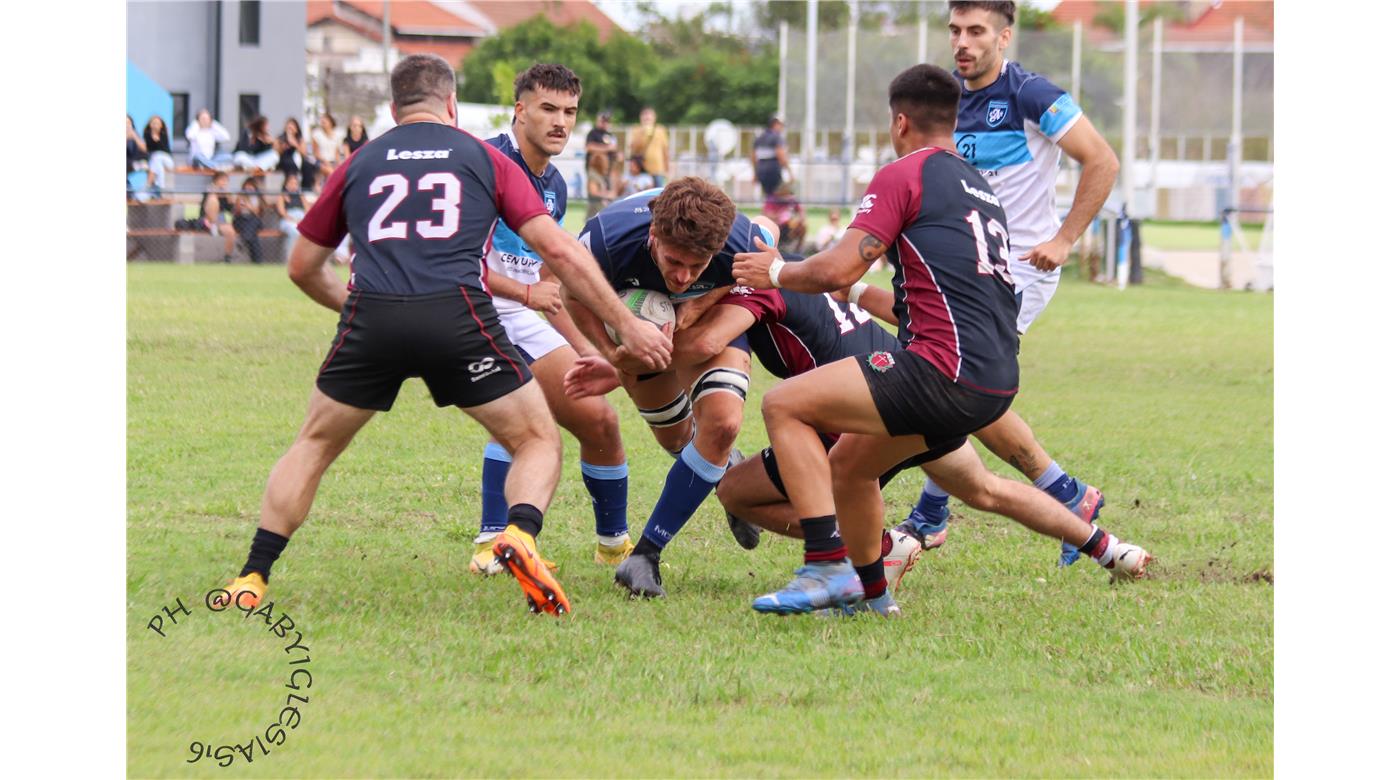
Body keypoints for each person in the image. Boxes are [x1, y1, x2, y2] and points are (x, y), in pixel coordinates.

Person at [211, 53, 671, 618]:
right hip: (458, 316)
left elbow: (303, 266)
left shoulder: (358, 161)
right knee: (536, 438)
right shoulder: (483, 157)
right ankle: (518, 535)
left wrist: (354, 309)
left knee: (313, 445)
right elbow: (558, 250)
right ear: (451, 103)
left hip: (373, 317)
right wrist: (627, 323)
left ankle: (252, 576)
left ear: (393, 108)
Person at [731, 64, 1149, 616]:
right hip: (994, 379)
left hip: (940, 371)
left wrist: (776, 271)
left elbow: (835, 268)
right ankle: (873, 598)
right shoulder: (981, 192)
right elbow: (929, 302)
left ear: (900, 122)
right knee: (853, 466)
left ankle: (826, 565)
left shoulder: (905, 173)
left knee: (783, 404)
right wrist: (858, 293)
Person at [892, 0, 1124, 567]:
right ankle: (1067, 495)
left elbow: (1102, 160)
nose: (962, 42)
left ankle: (932, 513)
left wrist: (1064, 239)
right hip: (968, 269)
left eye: (976, 31)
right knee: (956, 382)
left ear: (1004, 37)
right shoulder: (947, 98)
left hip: (1020, 269)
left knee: (957, 381)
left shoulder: (1031, 94)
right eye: (955, 30)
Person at [563, 270, 929, 592]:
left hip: (852, 414)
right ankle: (897, 539)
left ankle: (877, 549)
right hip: (915, 386)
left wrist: (624, 363)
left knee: (736, 491)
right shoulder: (790, 265)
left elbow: (706, 343)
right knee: (966, 479)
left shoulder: (751, 286)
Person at [559, 179, 779, 599]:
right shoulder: (605, 241)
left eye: (697, 267)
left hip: (708, 319)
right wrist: (611, 353)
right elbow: (570, 293)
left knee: (723, 424)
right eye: (674, 261)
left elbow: (771, 253)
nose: (682, 276)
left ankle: (645, 555)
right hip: (635, 336)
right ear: (653, 235)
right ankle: (727, 473)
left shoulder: (741, 239)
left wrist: (695, 305)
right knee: (678, 439)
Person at [464, 63, 639, 577]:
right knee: (522, 417)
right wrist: (526, 292)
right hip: (473, 309)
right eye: (548, 109)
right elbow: (457, 263)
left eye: (569, 112)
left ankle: (614, 546)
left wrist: (590, 351)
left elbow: (547, 280)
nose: (560, 122)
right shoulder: (486, 163)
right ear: (520, 110)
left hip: (522, 312)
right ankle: (492, 541)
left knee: (600, 420)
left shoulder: (555, 184)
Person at [199, 170, 238, 263]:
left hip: (221, 219)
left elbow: (231, 211)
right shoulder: (209, 191)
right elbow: (204, 209)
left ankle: (227, 257)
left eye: (226, 181)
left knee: (231, 232)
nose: (224, 183)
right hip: (207, 219)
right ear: (215, 181)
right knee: (213, 199)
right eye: (222, 180)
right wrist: (215, 193)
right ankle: (213, 225)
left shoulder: (226, 194)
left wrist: (229, 198)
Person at [626, 106, 670, 188]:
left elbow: (665, 150)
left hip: (657, 169)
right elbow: (633, 148)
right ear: (640, 118)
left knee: (658, 192)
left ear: (654, 117)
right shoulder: (636, 130)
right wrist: (642, 132)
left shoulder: (660, 130)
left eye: (649, 115)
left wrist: (667, 169)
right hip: (641, 169)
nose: (647, 118)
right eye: (644, 115)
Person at [751, 115, 791, 199]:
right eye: (781, 125)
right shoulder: (777, 137)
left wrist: (755, 173)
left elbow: (753, 157)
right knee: (779, 194)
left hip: (761, 169)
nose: (782, 128)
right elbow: (780, 155)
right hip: (773, 169)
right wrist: (790, 172)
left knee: (768, 195)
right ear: (775, 124)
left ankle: (768, 207)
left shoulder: (759, 138)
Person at [762, 182, 807, 254]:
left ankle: (797, 250)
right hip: (776, 226)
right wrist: (780, 216)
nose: (787, 196)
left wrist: (800, 218)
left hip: (789, 226)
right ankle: (775, 248)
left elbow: (801, 211)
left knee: (802, 227)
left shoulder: (791, 199)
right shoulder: (772, 199)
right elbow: (766, 214)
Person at [232, 176, 269, 264]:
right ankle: (258, 260)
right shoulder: (240, 196)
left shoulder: (257, 198)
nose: (248, 188)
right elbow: (237, 212)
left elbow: (256, 213)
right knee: (253, 237)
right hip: (241, 219)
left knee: (251, 222)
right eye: (247, 186)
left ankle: (244, 240)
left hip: (253, 220)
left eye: (251, 186)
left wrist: (248, 206)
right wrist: (240, 204)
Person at [276, 118, 317, 190]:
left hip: (298, 159)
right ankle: (288, 189)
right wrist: (283, 146)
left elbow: (304, 153)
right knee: (290, 165)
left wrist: (294, 143)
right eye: (289, 127)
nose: (291, 129)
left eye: (293, 127)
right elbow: (277, 152)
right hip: (284, 159)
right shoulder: (280, 138)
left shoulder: (300, 139)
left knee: (307, 165)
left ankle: (306, 188)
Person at [274, 175, 307, 263]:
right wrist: (293, 220)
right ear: (286, 185)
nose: (293, 185)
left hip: (301, 219)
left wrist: (302, 220)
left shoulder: (301, 195)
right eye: (291, 183)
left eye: (295, 184)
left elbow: (307, 210)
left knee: (307, 233)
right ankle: (291, 259)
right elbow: (282, 212)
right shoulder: (282, 195)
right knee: (295, 231)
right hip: (288, 220)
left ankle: (304, 259)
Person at [585, 144, 616, 220]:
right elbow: (593, 192)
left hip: (601, 210)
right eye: (606, 162)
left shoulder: (601, 176)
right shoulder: (593, 175)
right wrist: (608, 194)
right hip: (595, 211)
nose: (607, 164)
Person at [310, 113, 343, 183]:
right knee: (331, 172)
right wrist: (326, 162)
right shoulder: (316, 134)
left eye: (324, 122)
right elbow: (316, 153)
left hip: (333, 161)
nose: (322, 123)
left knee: (340, 172)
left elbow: (337, 153)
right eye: (322, 122)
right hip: (320, 161)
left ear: (330, 122)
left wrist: (339, 164)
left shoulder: (337, 135)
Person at [584, 109, 617, 175]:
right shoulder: (593, 133)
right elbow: (589, 147)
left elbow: (614, 148)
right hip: (594, 169)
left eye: (607, 121)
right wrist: (607, 148)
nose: (605, 123)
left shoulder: (610, 134)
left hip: (608, 169)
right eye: (603, 121)